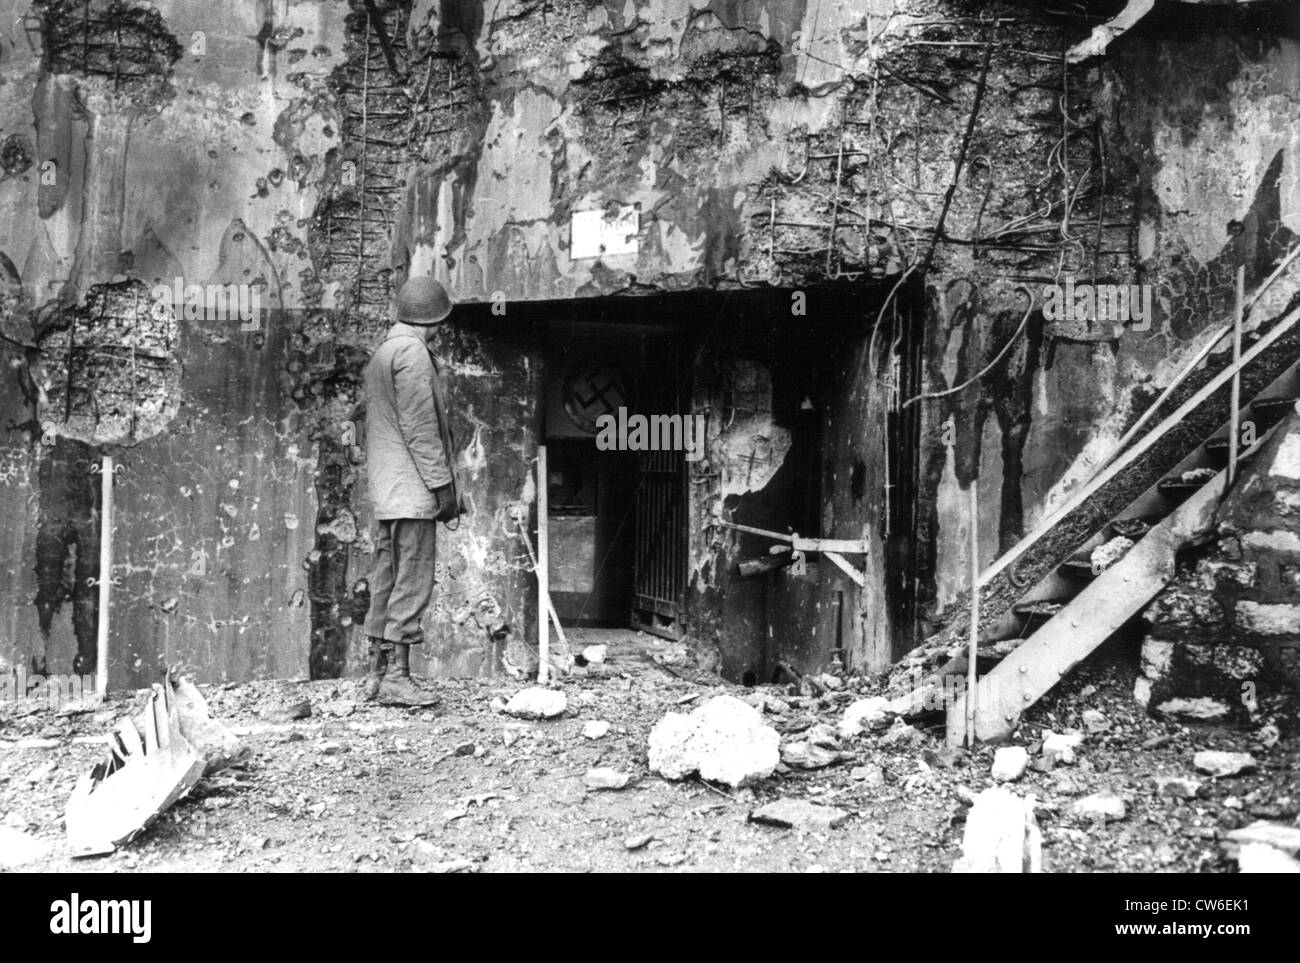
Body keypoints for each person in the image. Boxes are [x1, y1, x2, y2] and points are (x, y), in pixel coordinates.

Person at [360, 276, 463, 706]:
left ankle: (375, 673)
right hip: (413, 488)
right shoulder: (414, 354)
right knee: (413, 579)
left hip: (387, 490)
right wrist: (442, 487)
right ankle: (398, 679)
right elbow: (421, 430)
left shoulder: (382, 353)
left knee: (386, 575)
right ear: (436, 319)